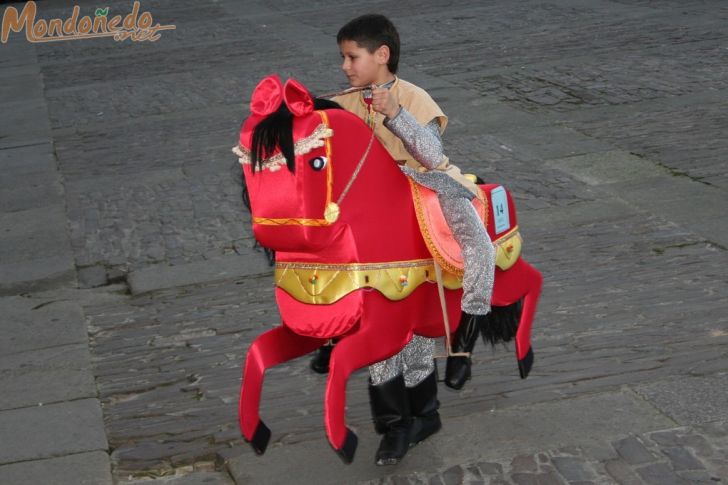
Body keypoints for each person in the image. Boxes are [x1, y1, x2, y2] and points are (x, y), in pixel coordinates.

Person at [329, 14, 497, 465]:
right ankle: (407, 414)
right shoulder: (342, 102)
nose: (345, 66)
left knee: (476, 243)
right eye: (342, 57)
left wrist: (395, 115)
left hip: (427, 186)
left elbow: (433, 154)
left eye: (352, 57)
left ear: (381, 55)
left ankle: (465, 338)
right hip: (375, 203)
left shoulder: (414, 97)